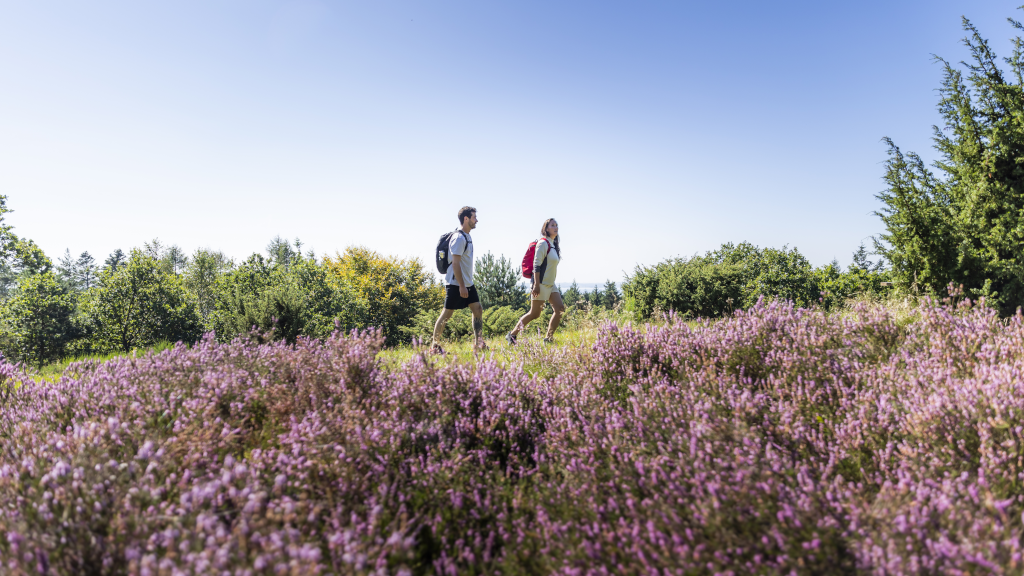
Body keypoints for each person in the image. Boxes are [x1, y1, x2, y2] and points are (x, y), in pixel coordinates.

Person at [432, 206, 486, 353]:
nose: (477, 220)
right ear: (466, 219)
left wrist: (466, 284)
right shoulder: (459, 238)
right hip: (456, 283)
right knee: (447, 314)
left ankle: (479, 343)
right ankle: (434, 347)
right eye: (474, 217)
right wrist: (462, 286)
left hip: (468, 282)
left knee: (478, 309)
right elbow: (455, 263)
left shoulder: (467, 236)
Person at [507, 218, 563, 344]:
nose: (556, 227)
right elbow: (536, 265)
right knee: (534, 313)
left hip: (550, 284)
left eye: (556, 225)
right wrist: (536, 285)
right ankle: (512, 335)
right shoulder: (543, 243)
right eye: (552, 225)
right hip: (541, 283)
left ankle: (548, 339)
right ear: (546, 229)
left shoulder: (553, 244)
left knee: (559, 309)